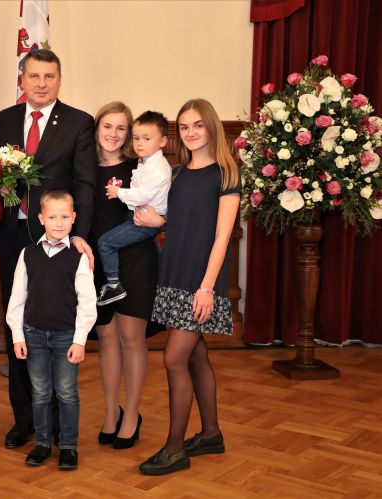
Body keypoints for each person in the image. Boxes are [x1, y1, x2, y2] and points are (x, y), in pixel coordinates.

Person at [0, 49, 97, 449]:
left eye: (49, 76)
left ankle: (56, 424)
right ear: (22, 80)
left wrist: (78, 234)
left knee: (57, 327)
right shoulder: (4, 119)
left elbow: (85, 184)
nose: (41, 83)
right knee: (18, 326)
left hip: (58, 240)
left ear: (59, 80)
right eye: (34, 76)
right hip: (13, 239)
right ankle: (25, 420)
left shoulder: (79, 122)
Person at [135, 98, 240, 476]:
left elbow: (222, 236)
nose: (191, 132)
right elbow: (182, 221)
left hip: (200, 281)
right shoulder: (177, 173)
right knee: (195, 356)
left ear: (211, 126)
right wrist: (157, 223)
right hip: (173, 274)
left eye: (197, 125)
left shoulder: (226, 174)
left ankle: (175, 448)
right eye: (183, 127)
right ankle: (211, 434)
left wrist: (207, 288)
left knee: (174, 359)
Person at [6, 190, 96, 470]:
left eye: (65, 217)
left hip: (66, 336)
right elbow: (17, 298)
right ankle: (42, 443)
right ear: (41, 218)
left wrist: (79, 340)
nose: (59, 223)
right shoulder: (28, 254)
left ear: (74, 218)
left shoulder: (78, 257)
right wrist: (18, 336)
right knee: (40, 392)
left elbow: (87, 302)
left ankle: (68, 446)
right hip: (33, 335)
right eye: (53, 217)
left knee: (67, 393)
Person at [89, 102, 160, 450]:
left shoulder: (139, 167)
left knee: (132, 336)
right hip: (96, 261)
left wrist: (162, 221)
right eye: (107, 126)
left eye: (121, 128)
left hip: (136, 259)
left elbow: (163, 206)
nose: (114, 134)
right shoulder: (84, 168)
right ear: (97, 129)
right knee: (106, 337)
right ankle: (110, 413)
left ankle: (131, 415)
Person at [96, 111, 171, 306]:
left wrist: (118, 192)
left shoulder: (157, 168)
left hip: (143, 221)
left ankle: (113, 285)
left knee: (105, 243)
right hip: (139, 218)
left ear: (163, 141)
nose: (140, 143)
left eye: (146, 138)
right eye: (136, 138)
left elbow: (142, 195)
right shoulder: (146, 161)